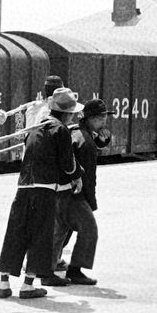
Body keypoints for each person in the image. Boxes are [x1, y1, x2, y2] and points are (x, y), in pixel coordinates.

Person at [0, 87, 84, 299]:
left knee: (16, 232)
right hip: (44, 190)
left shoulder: (36, 127)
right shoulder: (60, 130)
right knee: (40, 235)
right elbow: (67, 163)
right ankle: (28, 285)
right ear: (67, 113)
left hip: (23, 187)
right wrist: (77, 177)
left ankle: (4, 283)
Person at [52, 98, 112, 285]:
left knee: (61, 230)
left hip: (61, 191)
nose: (104, 122)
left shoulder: (78, 133)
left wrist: (101, 142)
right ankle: (75, 270)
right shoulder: (84, 139)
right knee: (89, 229)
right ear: (91, 119)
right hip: (75, 194)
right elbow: (87, 176)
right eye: (102, 118)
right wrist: (89, 201)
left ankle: (44, 267)